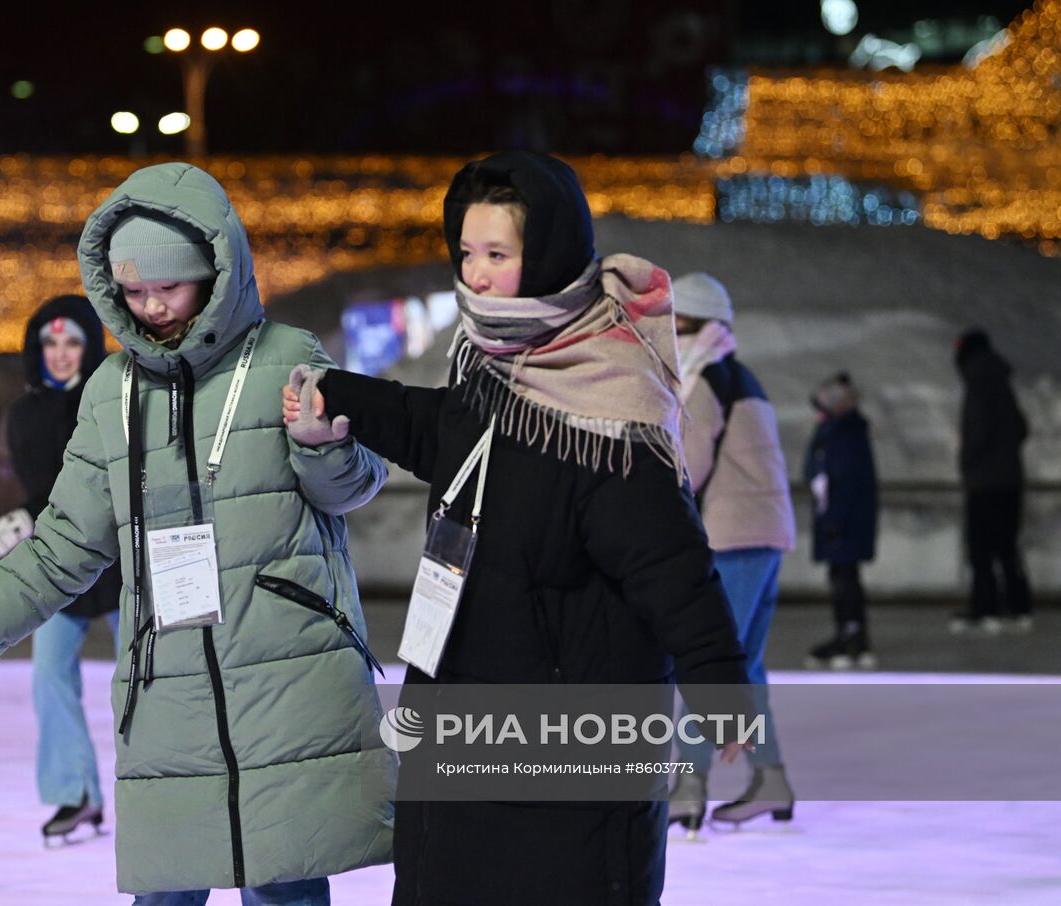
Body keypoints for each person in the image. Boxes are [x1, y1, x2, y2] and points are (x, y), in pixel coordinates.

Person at [284, 151, 750, 906]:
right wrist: (341, 396)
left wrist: (722, 687)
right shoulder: (493, 363)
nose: (476, 275)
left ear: (549, 255)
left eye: (497, 255)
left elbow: (673, 570)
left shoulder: (609, 412)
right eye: (467, 253)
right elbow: (444, 431)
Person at [0, 162, 395, 904]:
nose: (152, 307)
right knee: (167, 884)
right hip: (168, 683)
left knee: (284, 882)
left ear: (216, 273)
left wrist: (323, 443)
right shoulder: (111, 392)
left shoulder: (288, 357)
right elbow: (66, 541)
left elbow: (351, 489)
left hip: (286, 673)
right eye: (134, 291)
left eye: (169, 287)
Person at [0, 294, 124, 842]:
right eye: (50, 343)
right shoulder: (24, 416)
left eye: (72, 343)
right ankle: (75, 792)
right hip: (62, 564)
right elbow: (44, 491)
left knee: (144, 678)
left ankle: (165, 784)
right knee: (48, 676)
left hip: (121, 562)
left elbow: (104, 487)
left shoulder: (111, 402)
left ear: (90, 348)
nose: (61, 354)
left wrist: (28, 517)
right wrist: (28, 521)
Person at [665, 272, 796, 833]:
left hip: (733, 539)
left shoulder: (707, 379)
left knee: (708, 663)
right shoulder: (744, 377)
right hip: (766, 537)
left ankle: (688, 788)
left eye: (675, 324)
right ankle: (770, 779)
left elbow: (686, 466)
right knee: (746, 666)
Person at [950, 328, 1032, 634]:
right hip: (1010, 480)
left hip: (985, 483)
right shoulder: (1002, 382)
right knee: (1007, 547)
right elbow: (1021, 428)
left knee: (981, 549)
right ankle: (1018, 605)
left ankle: (986, 608)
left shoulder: (978, 383)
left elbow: (979, 432)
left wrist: (967, 459)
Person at [803, 372, 879, 669]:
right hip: (843, 521)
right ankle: (852, 637)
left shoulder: (842, 435)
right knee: (844, 578)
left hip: (843, 523)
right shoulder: (841, 432)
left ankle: (850, 637)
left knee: (844, 580)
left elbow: (844, 482)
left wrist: (834, 521)